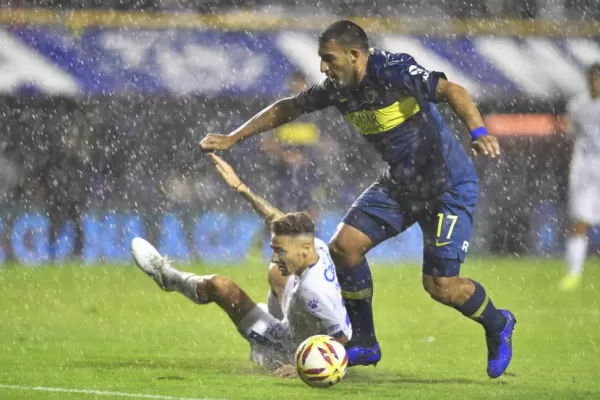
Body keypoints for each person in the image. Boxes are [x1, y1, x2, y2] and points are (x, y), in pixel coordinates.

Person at [199, 20, 516, 378]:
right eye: (321, 59)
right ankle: (365, 341)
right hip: (400, 185)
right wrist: (233, 137)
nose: (322, 68)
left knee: (440, 286)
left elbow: (454, 90)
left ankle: (497, 323)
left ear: (354, 55)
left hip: (449, 187)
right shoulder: (337, 88)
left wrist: (479, 132)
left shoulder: (392, 70)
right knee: (344, 247)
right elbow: (287, 108)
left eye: (328, 59)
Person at [130, 153, 351, 377]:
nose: (274, 256)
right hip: (301, 323)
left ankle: (169, 278)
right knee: (277, 272)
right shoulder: (317, 246)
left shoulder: (312, 293)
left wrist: (302, 368)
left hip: (288, 348)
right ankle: (279, 317)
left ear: (303, 248)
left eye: (280, 252)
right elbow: (275, 218)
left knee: (220, 286)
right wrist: (241, 188)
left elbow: (341, 339)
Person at [560, 63, 600, 292]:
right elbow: (573, 137)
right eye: (592, 79)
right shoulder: (577, 105)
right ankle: (574, 273)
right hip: (585, 169)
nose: (595, 84)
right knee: (579, 221)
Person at [261, 71, 321, 219]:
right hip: (283, 173)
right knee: (281, 213)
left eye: (301, 85)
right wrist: (284, 155)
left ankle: (309, 237)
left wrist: (309, 156)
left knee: (310, 211)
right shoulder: (279, 110)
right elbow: (264, 143)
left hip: (308, 171)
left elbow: (325, 143)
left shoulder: (315, 112)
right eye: (296, 85)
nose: (298, 88)